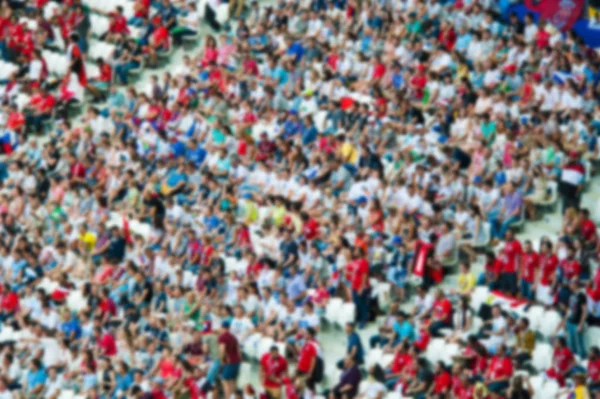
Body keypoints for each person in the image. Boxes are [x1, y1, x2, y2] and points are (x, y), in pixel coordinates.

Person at [219, 321, 242, 399]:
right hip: (237, 361)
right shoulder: (234, 337)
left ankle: (228, 397)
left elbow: (222, 349)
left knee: (225, 380)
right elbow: (238, 350)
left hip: (229, 361)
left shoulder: (223, 337)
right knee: (232, 381)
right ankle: (233, 397)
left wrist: (222, 360)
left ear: (222, 328)